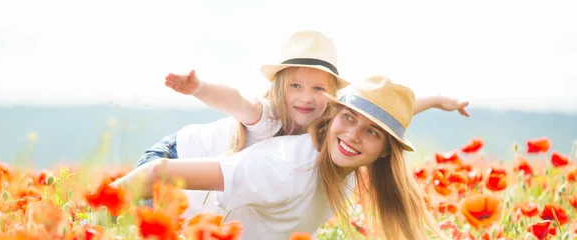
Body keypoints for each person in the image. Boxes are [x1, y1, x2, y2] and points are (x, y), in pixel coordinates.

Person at [112, 75, 456, 240]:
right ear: (334, 114)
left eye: (372, 132)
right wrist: (86, 211)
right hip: (169, 177)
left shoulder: (344, 160)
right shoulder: (287, 169)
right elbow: (157, 175)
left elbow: (387, 114)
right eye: (348, 118)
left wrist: (436, 101)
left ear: (384, 150)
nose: (353, 136)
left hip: (211, 220)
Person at [136, 30, 469, 170]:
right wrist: (199, 88)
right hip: (170, 156)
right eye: (296, 86)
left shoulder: (331, 124)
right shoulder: (267, 114)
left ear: (334, 96)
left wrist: (439, 100)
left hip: (198, 176)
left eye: (318, 89)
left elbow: (384, 113)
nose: (306, 98)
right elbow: (235, 100)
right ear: (281, 87)